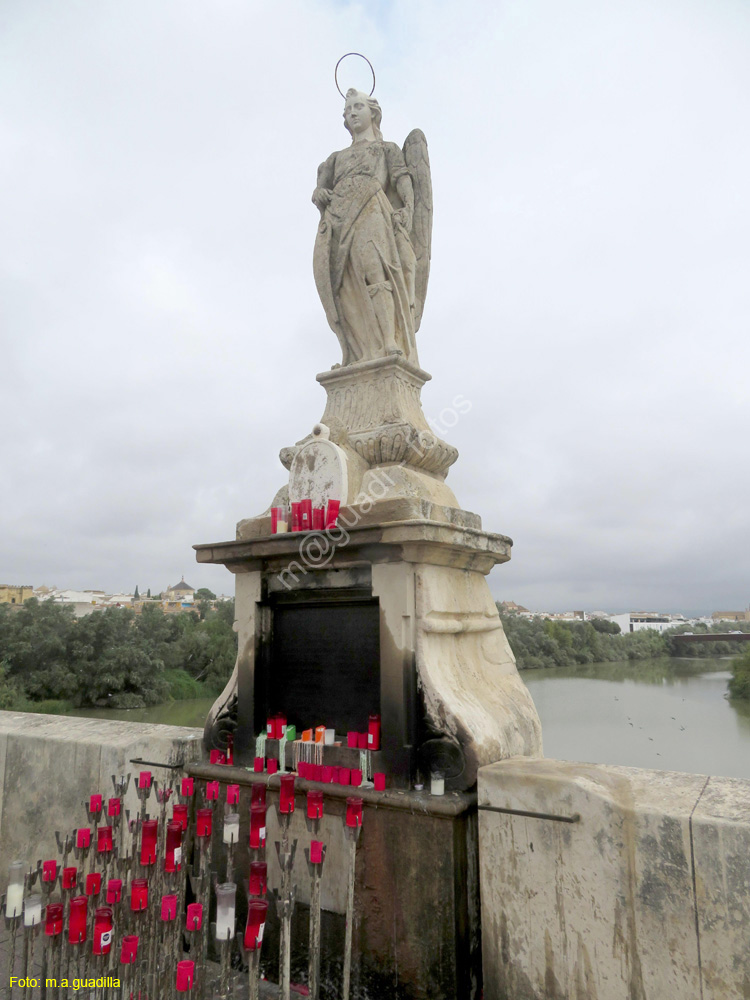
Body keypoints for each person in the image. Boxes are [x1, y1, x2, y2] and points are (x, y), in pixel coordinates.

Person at [312, 89, 420, 367]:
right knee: (343, 285)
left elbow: (401, 179)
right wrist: (320, 195)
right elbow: (319, 190)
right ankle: (357, 352)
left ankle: (388, 342)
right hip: (338, 218)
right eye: (348, 111)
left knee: (375, 270)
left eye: (358, 106)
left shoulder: (386, 150)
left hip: (371, 209)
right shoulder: (336, 158)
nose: (353, 113)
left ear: (373, 112)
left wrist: (407, 208)